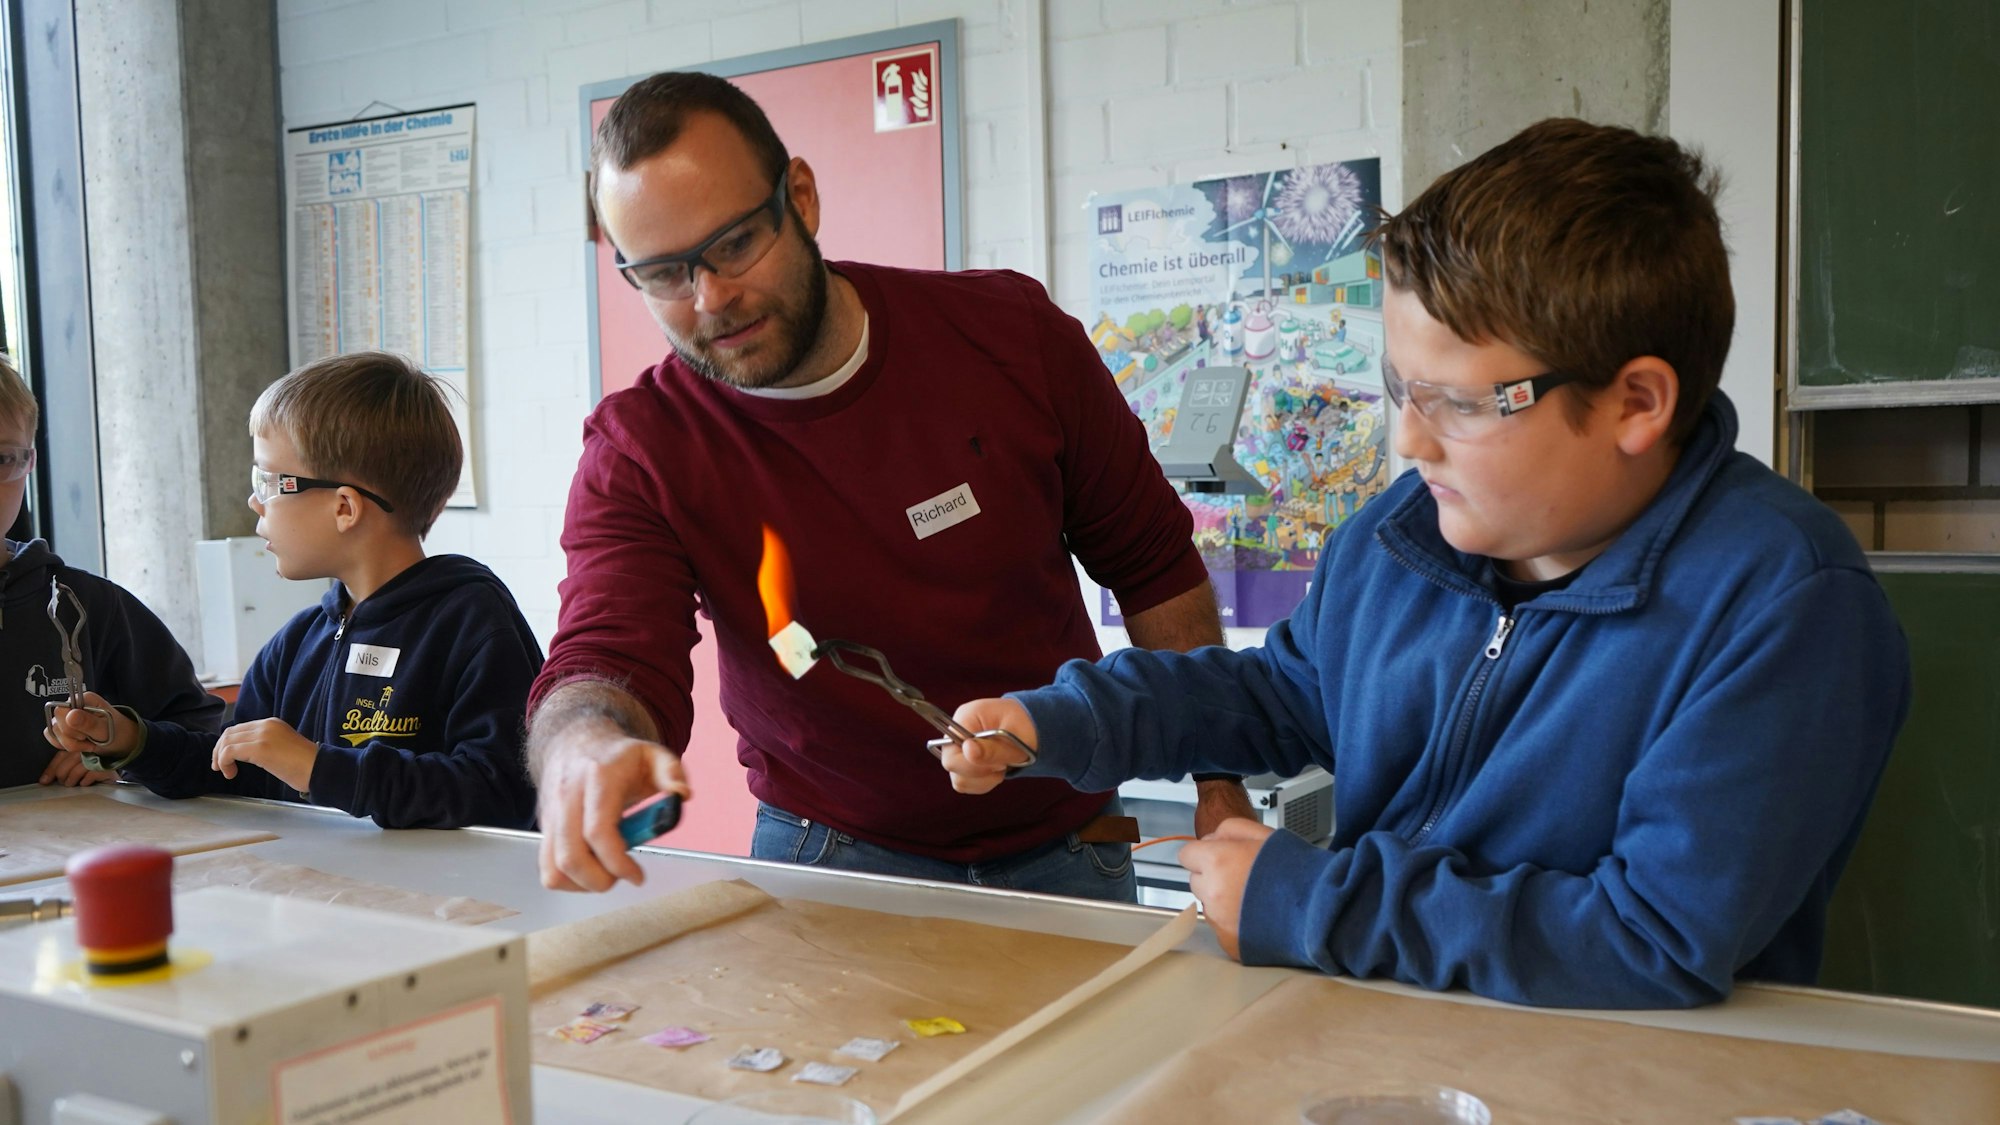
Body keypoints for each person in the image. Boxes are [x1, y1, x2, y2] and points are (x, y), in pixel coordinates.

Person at [936, 119, 1911, 1009]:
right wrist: (1061, 721)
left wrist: (1308, 901)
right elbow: (1275, 697)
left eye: (1452, 402)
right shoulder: (1400, 535)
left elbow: (1648, 938)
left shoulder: (1780, 604)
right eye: (1397, 387)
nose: (1407, 440)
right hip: (1386, 1036)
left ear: (1634, 404)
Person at [529, 71, 1246, 900]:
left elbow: (1154, 564)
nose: (710, 297)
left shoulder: (1011, 339)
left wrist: (1218, 780)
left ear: (801, 196)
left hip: (1070, 841)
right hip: (828, 854)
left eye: (733, 244)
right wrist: (581, 746)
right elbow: (606, 654)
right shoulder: (644, 446)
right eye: (663, 274)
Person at [47, 352, 542, 830]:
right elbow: (232, 766)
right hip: (320, 895)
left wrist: (318, 768)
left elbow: (500, 792)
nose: (253, 501)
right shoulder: (299, 641)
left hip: (452, 907)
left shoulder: (472, 623)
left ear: (345, 508)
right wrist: (132, 740)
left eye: (269, 481)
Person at [0, 355, 222, 789]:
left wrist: (125, 754)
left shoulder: (90, 605)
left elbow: (201, 733)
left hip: (68, 848)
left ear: (29, 463)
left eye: (2, 458)